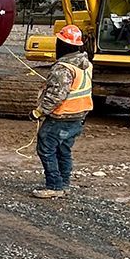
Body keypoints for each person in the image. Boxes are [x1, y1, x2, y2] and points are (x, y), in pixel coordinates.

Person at [31, 22, 94, 199]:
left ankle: (54, 185)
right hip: (79, 116)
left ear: (63, 45)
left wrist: (39, 112)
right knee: (64, 150)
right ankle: (64, 183)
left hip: (62, 116)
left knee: (46, 148)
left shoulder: (63, 69)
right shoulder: (86, 64)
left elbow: (56, 96)